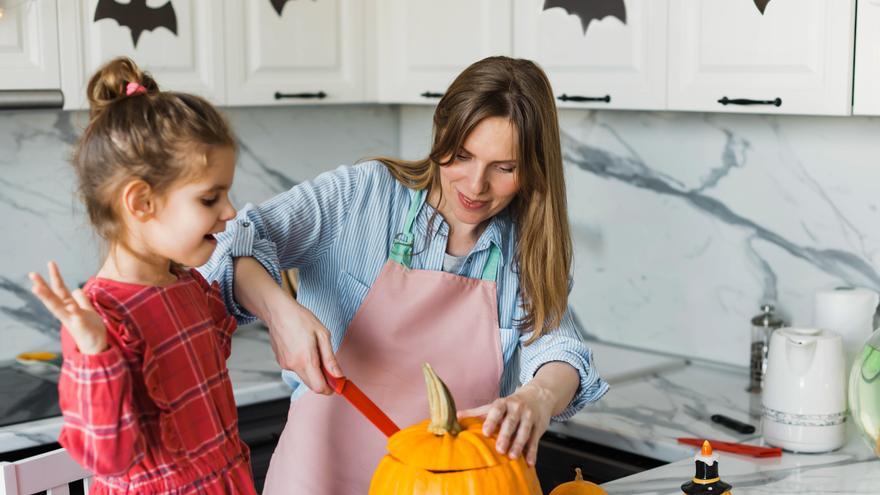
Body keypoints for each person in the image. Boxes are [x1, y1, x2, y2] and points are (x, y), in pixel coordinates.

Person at [201, 55, 609, 494]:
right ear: (441, 132)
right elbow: (230, 239)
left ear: (532, 169)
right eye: (462, 155)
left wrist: (538, 398)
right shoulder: (363, 196)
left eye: (504, 168)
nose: (475, 186)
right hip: (322, 474)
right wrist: (280, 311)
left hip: (452, 483)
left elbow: (558, 347)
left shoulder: (526, 248)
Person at [29, 57, 255, 494]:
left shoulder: (187, 286)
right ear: (141, 203)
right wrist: (95, 351)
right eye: (210, 198)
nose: (229, 211)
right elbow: (107, 459)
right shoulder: (100, 318)